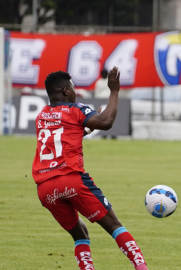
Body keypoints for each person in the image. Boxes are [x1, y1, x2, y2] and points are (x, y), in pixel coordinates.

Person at [32, 67, 148, 270]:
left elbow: (64, 137)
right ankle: (142, 266)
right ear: (66, 91)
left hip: (45, 188)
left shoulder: (42, 116)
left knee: (80, 234)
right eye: (73, 88)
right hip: (71, 179)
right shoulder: (76, 109)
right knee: (113, 225)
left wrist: (87, 129)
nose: (76, 92)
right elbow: (107, 122)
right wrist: (114, 91)